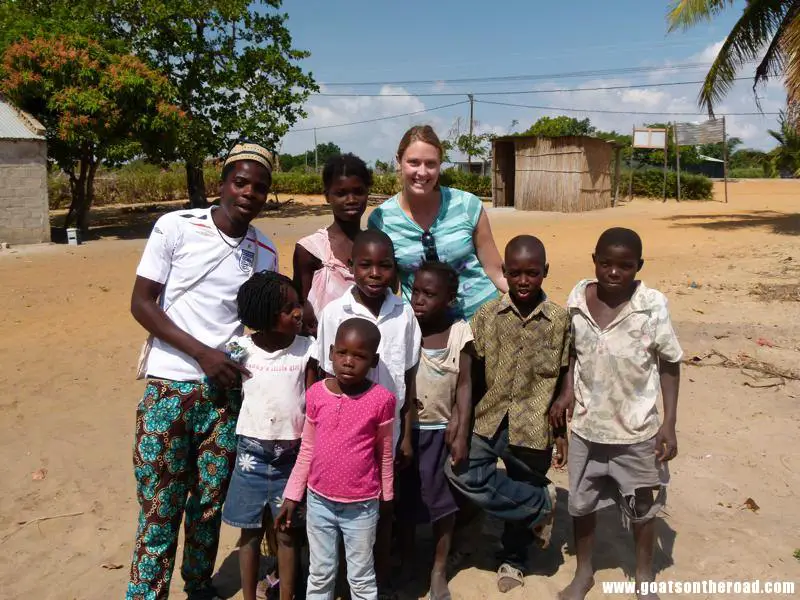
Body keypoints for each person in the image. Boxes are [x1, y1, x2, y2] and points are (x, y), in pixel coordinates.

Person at [127, 142, 279, 600]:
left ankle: (198, 585)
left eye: (260, 186)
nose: (249, 193)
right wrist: (203, 355)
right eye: (241, 182)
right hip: (170, 389)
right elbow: (141, 303)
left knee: (209, 505)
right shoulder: (176, 227)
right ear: (222, 183)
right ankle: (145, 595)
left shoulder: (265, 249)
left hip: (224, 396)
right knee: (159, 507)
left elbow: (254, 319)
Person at [551, 228, 682, 600]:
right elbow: (573, 352)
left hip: (637, 430)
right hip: (587, 428)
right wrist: (566, 393)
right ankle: (584, 572)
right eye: (605, 263)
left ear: (638, 267)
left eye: (624, 266)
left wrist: (669, 423)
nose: (613, 273)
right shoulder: (577, 297)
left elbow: (670, 363)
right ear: (594, 260)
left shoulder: (652, 305)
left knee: (643, 505)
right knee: (581, 504)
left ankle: (643, 576)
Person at [445, 235, 570, 594]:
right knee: (461, 471)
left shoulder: (560, 319)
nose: (523, 281)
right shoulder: (487, 315)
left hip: (535, 424)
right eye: (515, 273)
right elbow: (470, 373)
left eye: (532, 273)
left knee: (525, 479)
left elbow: (565, 371)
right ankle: (540, 504)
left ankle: (513, 559)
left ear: (545, 271)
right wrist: (461, 423)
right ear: (504, 272)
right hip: (490, 418)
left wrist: (562, 431)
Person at [312, 229, 421, 597]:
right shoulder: (333, 312)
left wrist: (406, 433)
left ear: (394, 269)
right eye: (365, 265)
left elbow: (409, 374)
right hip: (341, 436)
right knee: (338, 508)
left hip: (386, 431)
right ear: (351, 267)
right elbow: (322, 374)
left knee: (384, 506)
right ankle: (340, 580)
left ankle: (377, 577)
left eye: (384, 266)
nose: (375, 273)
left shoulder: (404, 312)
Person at [276, 318, 396, 600]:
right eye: (342, 353)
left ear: (374, 360)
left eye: (359, 356)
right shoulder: (317, 393)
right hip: (319, 503)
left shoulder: (382, 400)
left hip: (362, 507)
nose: (349, 362)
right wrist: (292, 496)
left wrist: (387, 499)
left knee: (361, 576)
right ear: (330, 352)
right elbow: (307, 449)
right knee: (320, 573)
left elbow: (384, 453)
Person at [220, 271, 317, 600]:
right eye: (288, 308)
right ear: (263, 315)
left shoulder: (307, 349)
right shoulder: (240, 348)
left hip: (292, 457)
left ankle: (287, 594)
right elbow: (227, 383)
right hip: (251, 454)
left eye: (297, 304)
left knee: (287, 532)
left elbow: (313, 398)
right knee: (249, 532)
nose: (297, 312)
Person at [367, 125, 507, 321]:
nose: (422, 172)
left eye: (431, 164)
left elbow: (495, 271)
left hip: (483, 320)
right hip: (425, 331)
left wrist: (534, 304)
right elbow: (386, 287)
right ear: (399, 161)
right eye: (413, 162)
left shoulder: (467, 205)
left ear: (440, 164)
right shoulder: (382, 220)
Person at [397, 261, 473, 600]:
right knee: (406, 501)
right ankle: (408, 561)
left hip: (441, 432)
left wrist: (461, 430)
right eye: (416, 291)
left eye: (430, 294)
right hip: (407, 433)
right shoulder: (405, 327)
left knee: (443, 504)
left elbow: (466, 386)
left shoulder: (459, 332)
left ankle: (439, 568)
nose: (419, 300)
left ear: (450, 297)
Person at [293, 153, 372, 335]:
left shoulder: (377, 248)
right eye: (341, 193)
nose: (351, 200)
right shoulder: (311, 249)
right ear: (327, 196)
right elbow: (301, 308)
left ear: (368, 192)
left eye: (358, 191)